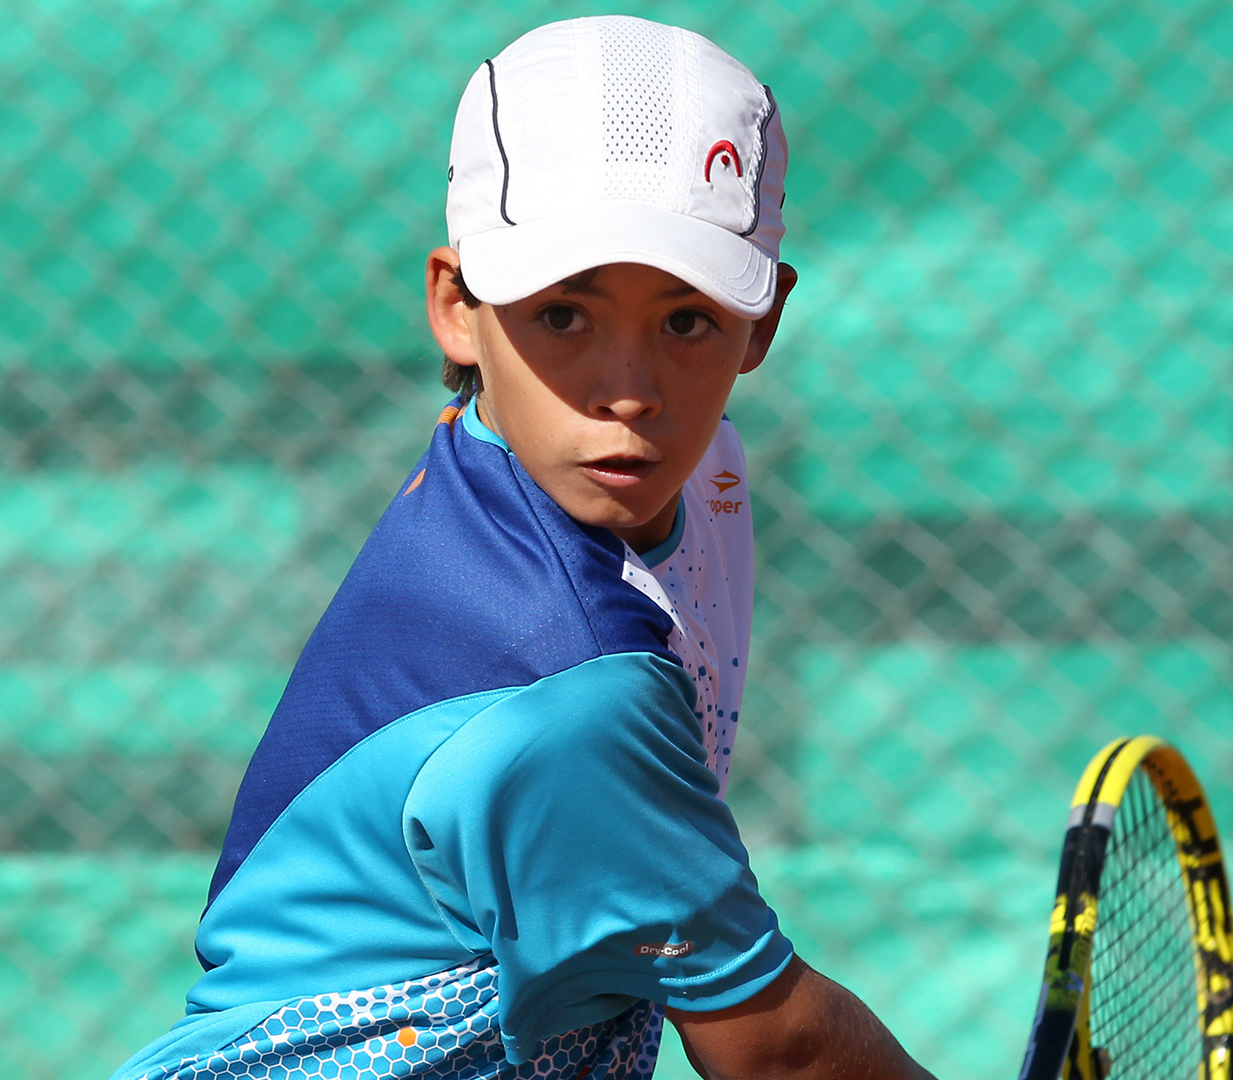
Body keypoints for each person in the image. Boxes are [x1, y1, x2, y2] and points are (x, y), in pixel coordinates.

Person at [110, 16, 938, 1080]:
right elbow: (777, 1049)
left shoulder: (647, 477)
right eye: (563, 315)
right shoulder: (570, 682)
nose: (627, 392)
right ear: (459, 308)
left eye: (686, 321)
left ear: (762, 324)